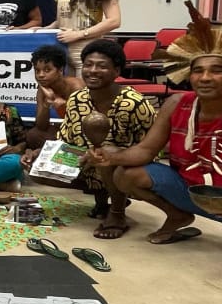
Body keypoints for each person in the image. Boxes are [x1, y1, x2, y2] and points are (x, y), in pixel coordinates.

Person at [91, 16, 222, 266]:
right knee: (124, 173)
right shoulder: (176, 104)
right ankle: (177, 215)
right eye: (198, 70)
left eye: (216, 71)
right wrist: (112, 157)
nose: (205, 77)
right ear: (189, 76)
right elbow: (146, 150)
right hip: (186, 188)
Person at [58, 39, 157, 236]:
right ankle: (101, 203)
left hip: (126, 168)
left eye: (102, 66)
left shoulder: (134, 103)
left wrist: (113, 157)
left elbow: (151, 148)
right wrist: (39, 154)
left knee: (107, 153)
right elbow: (65, 140)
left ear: (117, 71)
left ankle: (118, 212)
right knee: (38, 166)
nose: (92, 71)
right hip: (87, 163)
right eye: (88, 64)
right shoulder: (76, 99)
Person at [28, 44, 85, 142]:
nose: (41, 75)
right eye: (37, 70)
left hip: (84, 131)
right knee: (33, 135)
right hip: (66, 130)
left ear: (60, 70)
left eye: (47, 70)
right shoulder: (43, 89)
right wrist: (46, 104)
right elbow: (41, 126)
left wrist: (65, 105)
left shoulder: (76, 87)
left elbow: (82, 124)